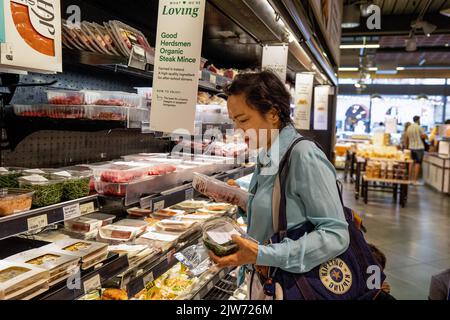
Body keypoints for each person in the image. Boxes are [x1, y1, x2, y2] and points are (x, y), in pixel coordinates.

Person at [207, 71, 350, 299]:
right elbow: (282, 207)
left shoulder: (303, 155)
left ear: (273, 114)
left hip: (293, 286)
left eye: (243, 120)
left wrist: (263, 253)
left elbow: (336, 234)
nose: (238, 129)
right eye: (234, 121)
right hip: (266, 282)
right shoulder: (267, 154)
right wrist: (239, 197)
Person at [406, 116, 428, 185]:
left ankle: (409, 180)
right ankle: (415, 181)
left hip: (411, 147)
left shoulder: (409, 127)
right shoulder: (419, 127)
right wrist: (426, 136)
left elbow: (407, 138)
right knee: (417, 164)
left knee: (411, 163)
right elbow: (423, 136)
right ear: (418, 120)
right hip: (419, 147)